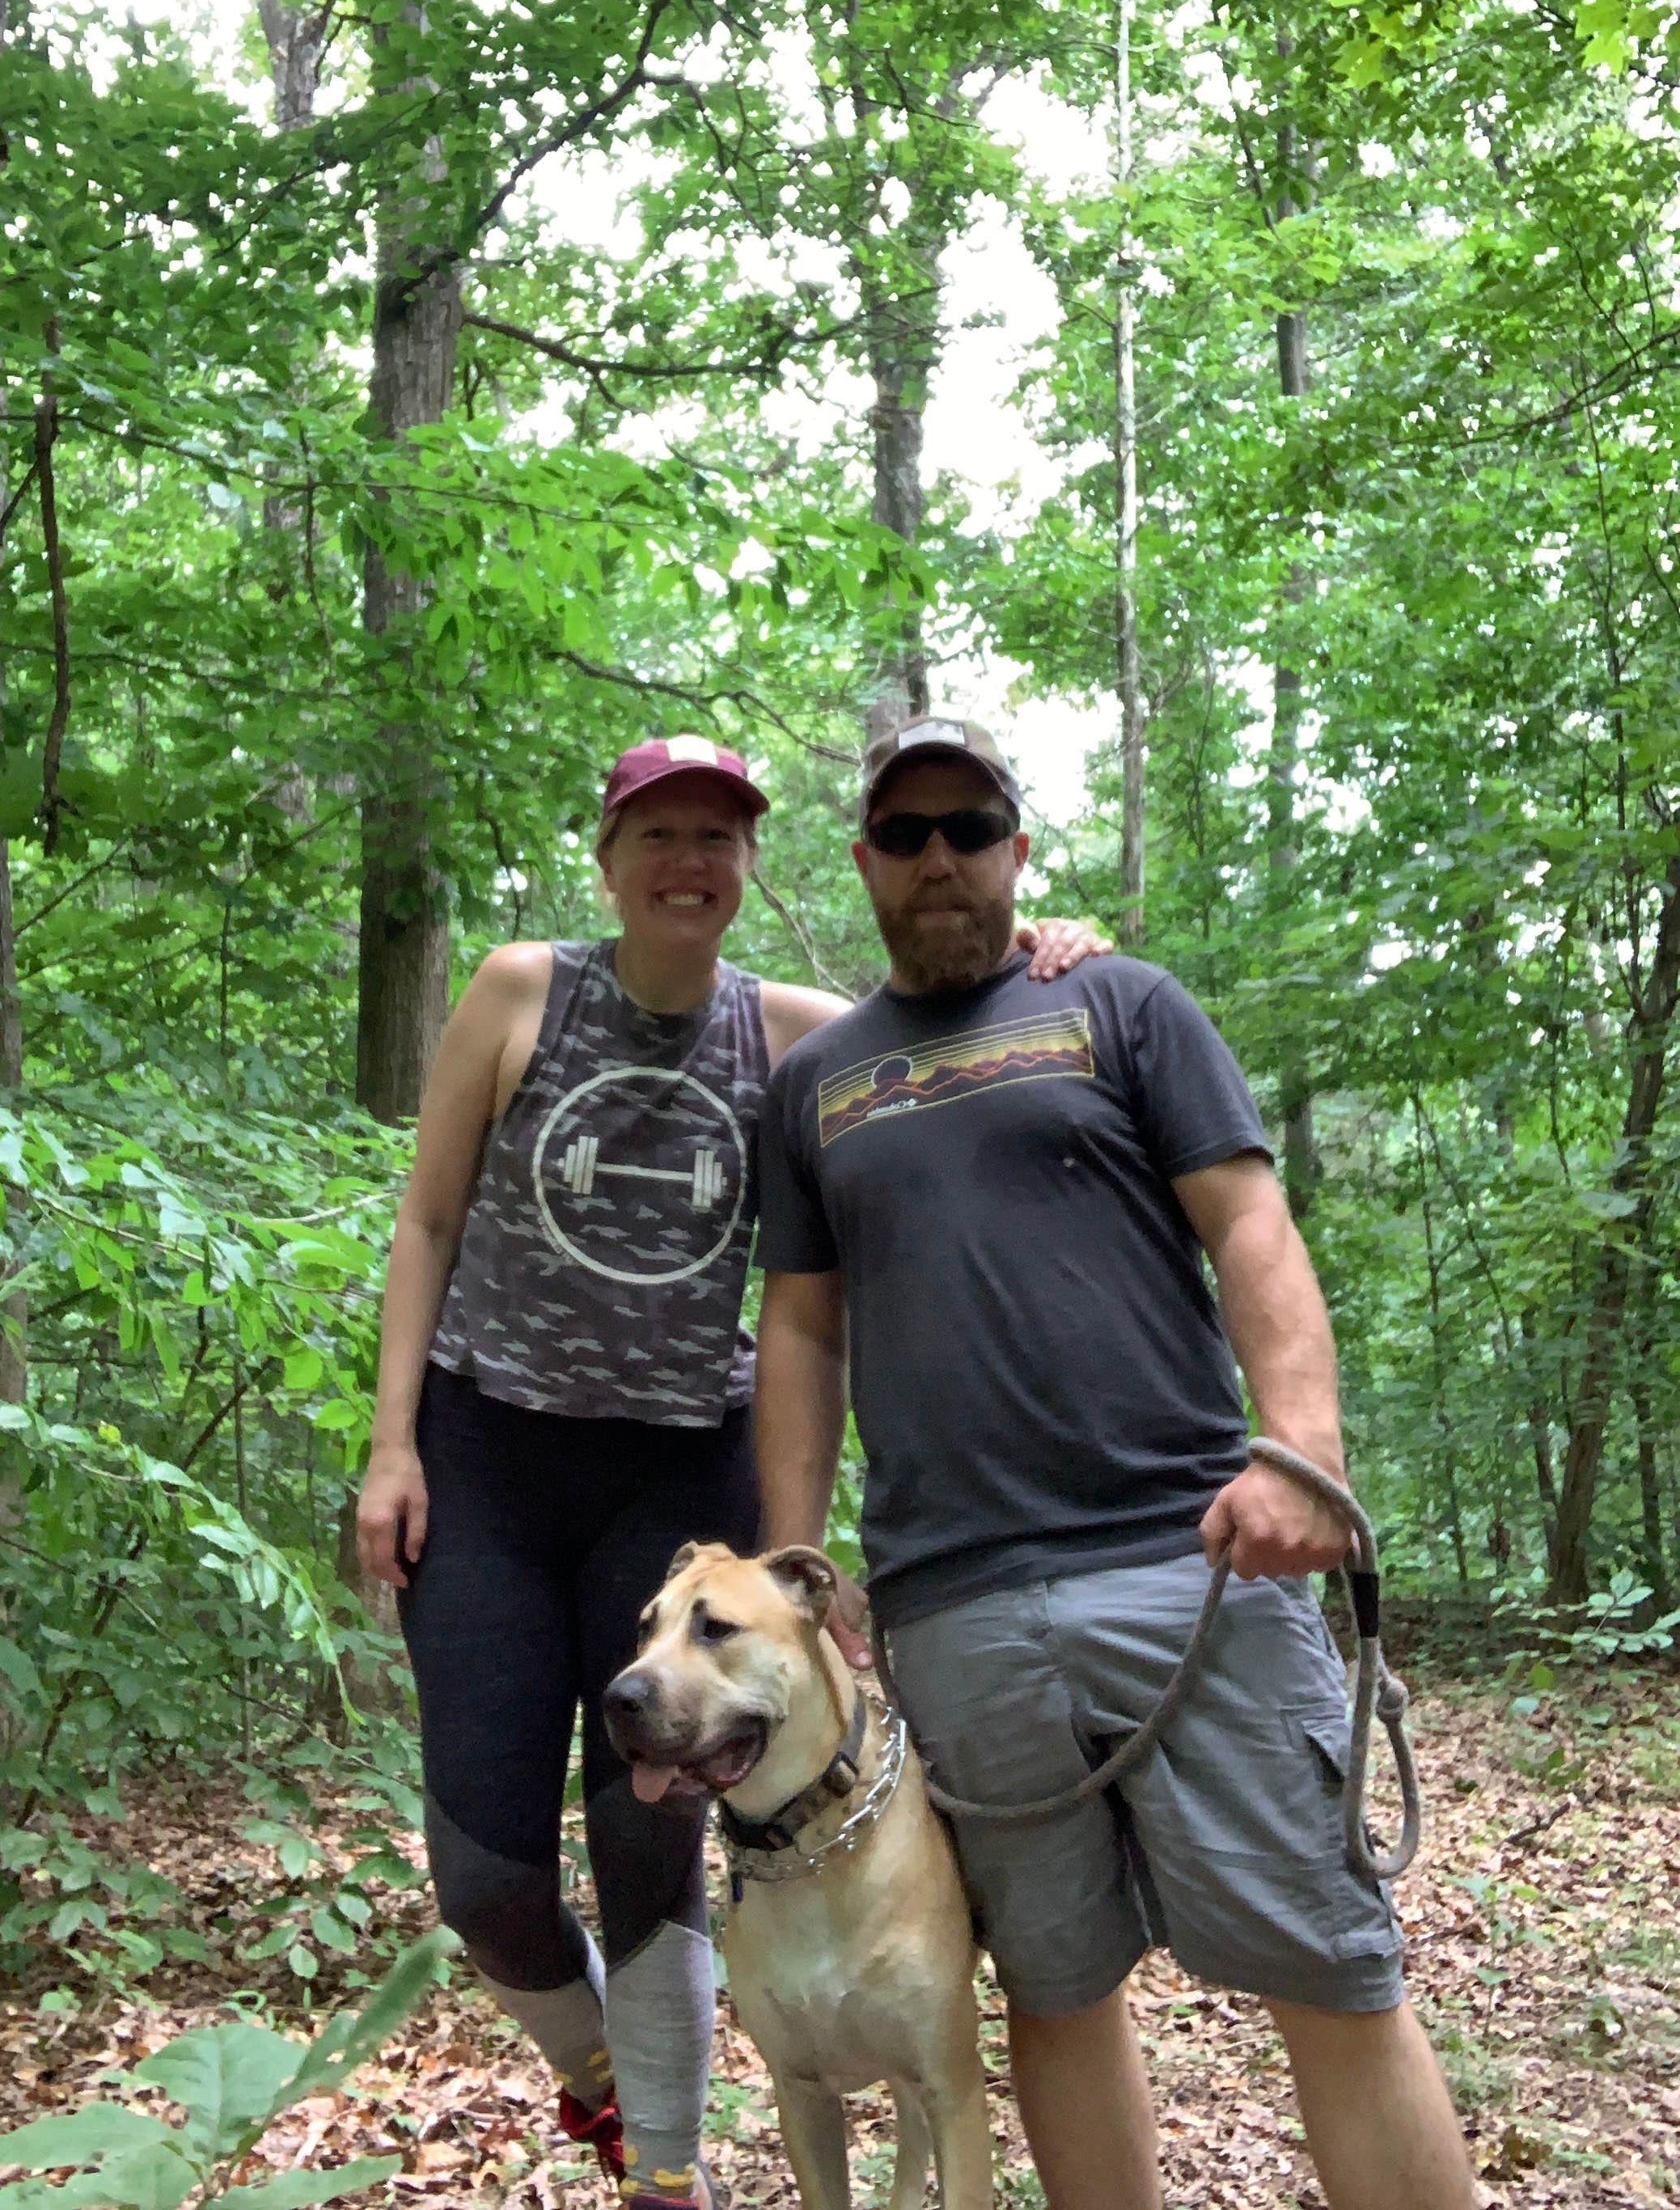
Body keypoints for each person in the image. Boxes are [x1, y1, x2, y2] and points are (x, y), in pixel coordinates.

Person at [353, 731, 1104, 2210]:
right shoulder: (520, 993)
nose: (689, 861)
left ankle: (668, 2170)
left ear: (753, 864)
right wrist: (390, 1446)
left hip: (684, 1487)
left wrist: (1046, 949)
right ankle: (599, 2073)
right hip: (491, 1461)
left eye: (720, 836)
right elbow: (428, 1222)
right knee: (488, 1878)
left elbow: (955, 1027)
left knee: (658, 1839)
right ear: (611, 858)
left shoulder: (798, 1034)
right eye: (659, 834)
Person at [751, 713, 1479, 2210]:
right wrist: (789, 1577)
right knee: (1054, 1991)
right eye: (906, 835)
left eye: (970, 828)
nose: (939, 859)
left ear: (1019, 847)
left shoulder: (1126, 1007)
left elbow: (1252, 1231)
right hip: (954, 1611)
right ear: (866, 862)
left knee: (1333, 1964)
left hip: (1189, 1560)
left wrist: (1303, 1458)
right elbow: (805, 1337)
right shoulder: (814, 1087)